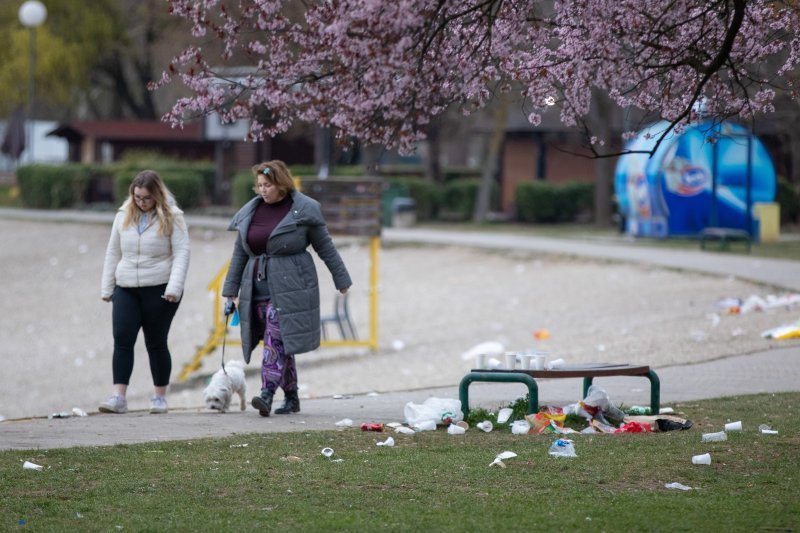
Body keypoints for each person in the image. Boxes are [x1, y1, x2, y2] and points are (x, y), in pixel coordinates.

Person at [222, 160, 351, 417]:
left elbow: (325, 247)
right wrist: (230, 289)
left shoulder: (303, 210)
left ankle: (267, 393)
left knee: (274, 340)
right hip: (256, 289)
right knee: (281, 342)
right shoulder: (250, 211)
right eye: (259, 185)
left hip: (291, 288)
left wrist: (341, 279)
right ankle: (292, 397)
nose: (262, 190)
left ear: (281, 184)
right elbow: (239, 253)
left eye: (267, 185)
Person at [98, 170, 191, 414]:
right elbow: (113, 252)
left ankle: (159, 396)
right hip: (126, 286)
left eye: (146, 198)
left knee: (156, 342)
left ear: (157, 195)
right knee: (122, 339)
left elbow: (182, 253)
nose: (141, 202)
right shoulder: (123, 215)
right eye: (137, 197)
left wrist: (174, 287)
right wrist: (107, 287)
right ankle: (119, 396)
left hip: (159, 287)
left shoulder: (174, 217)